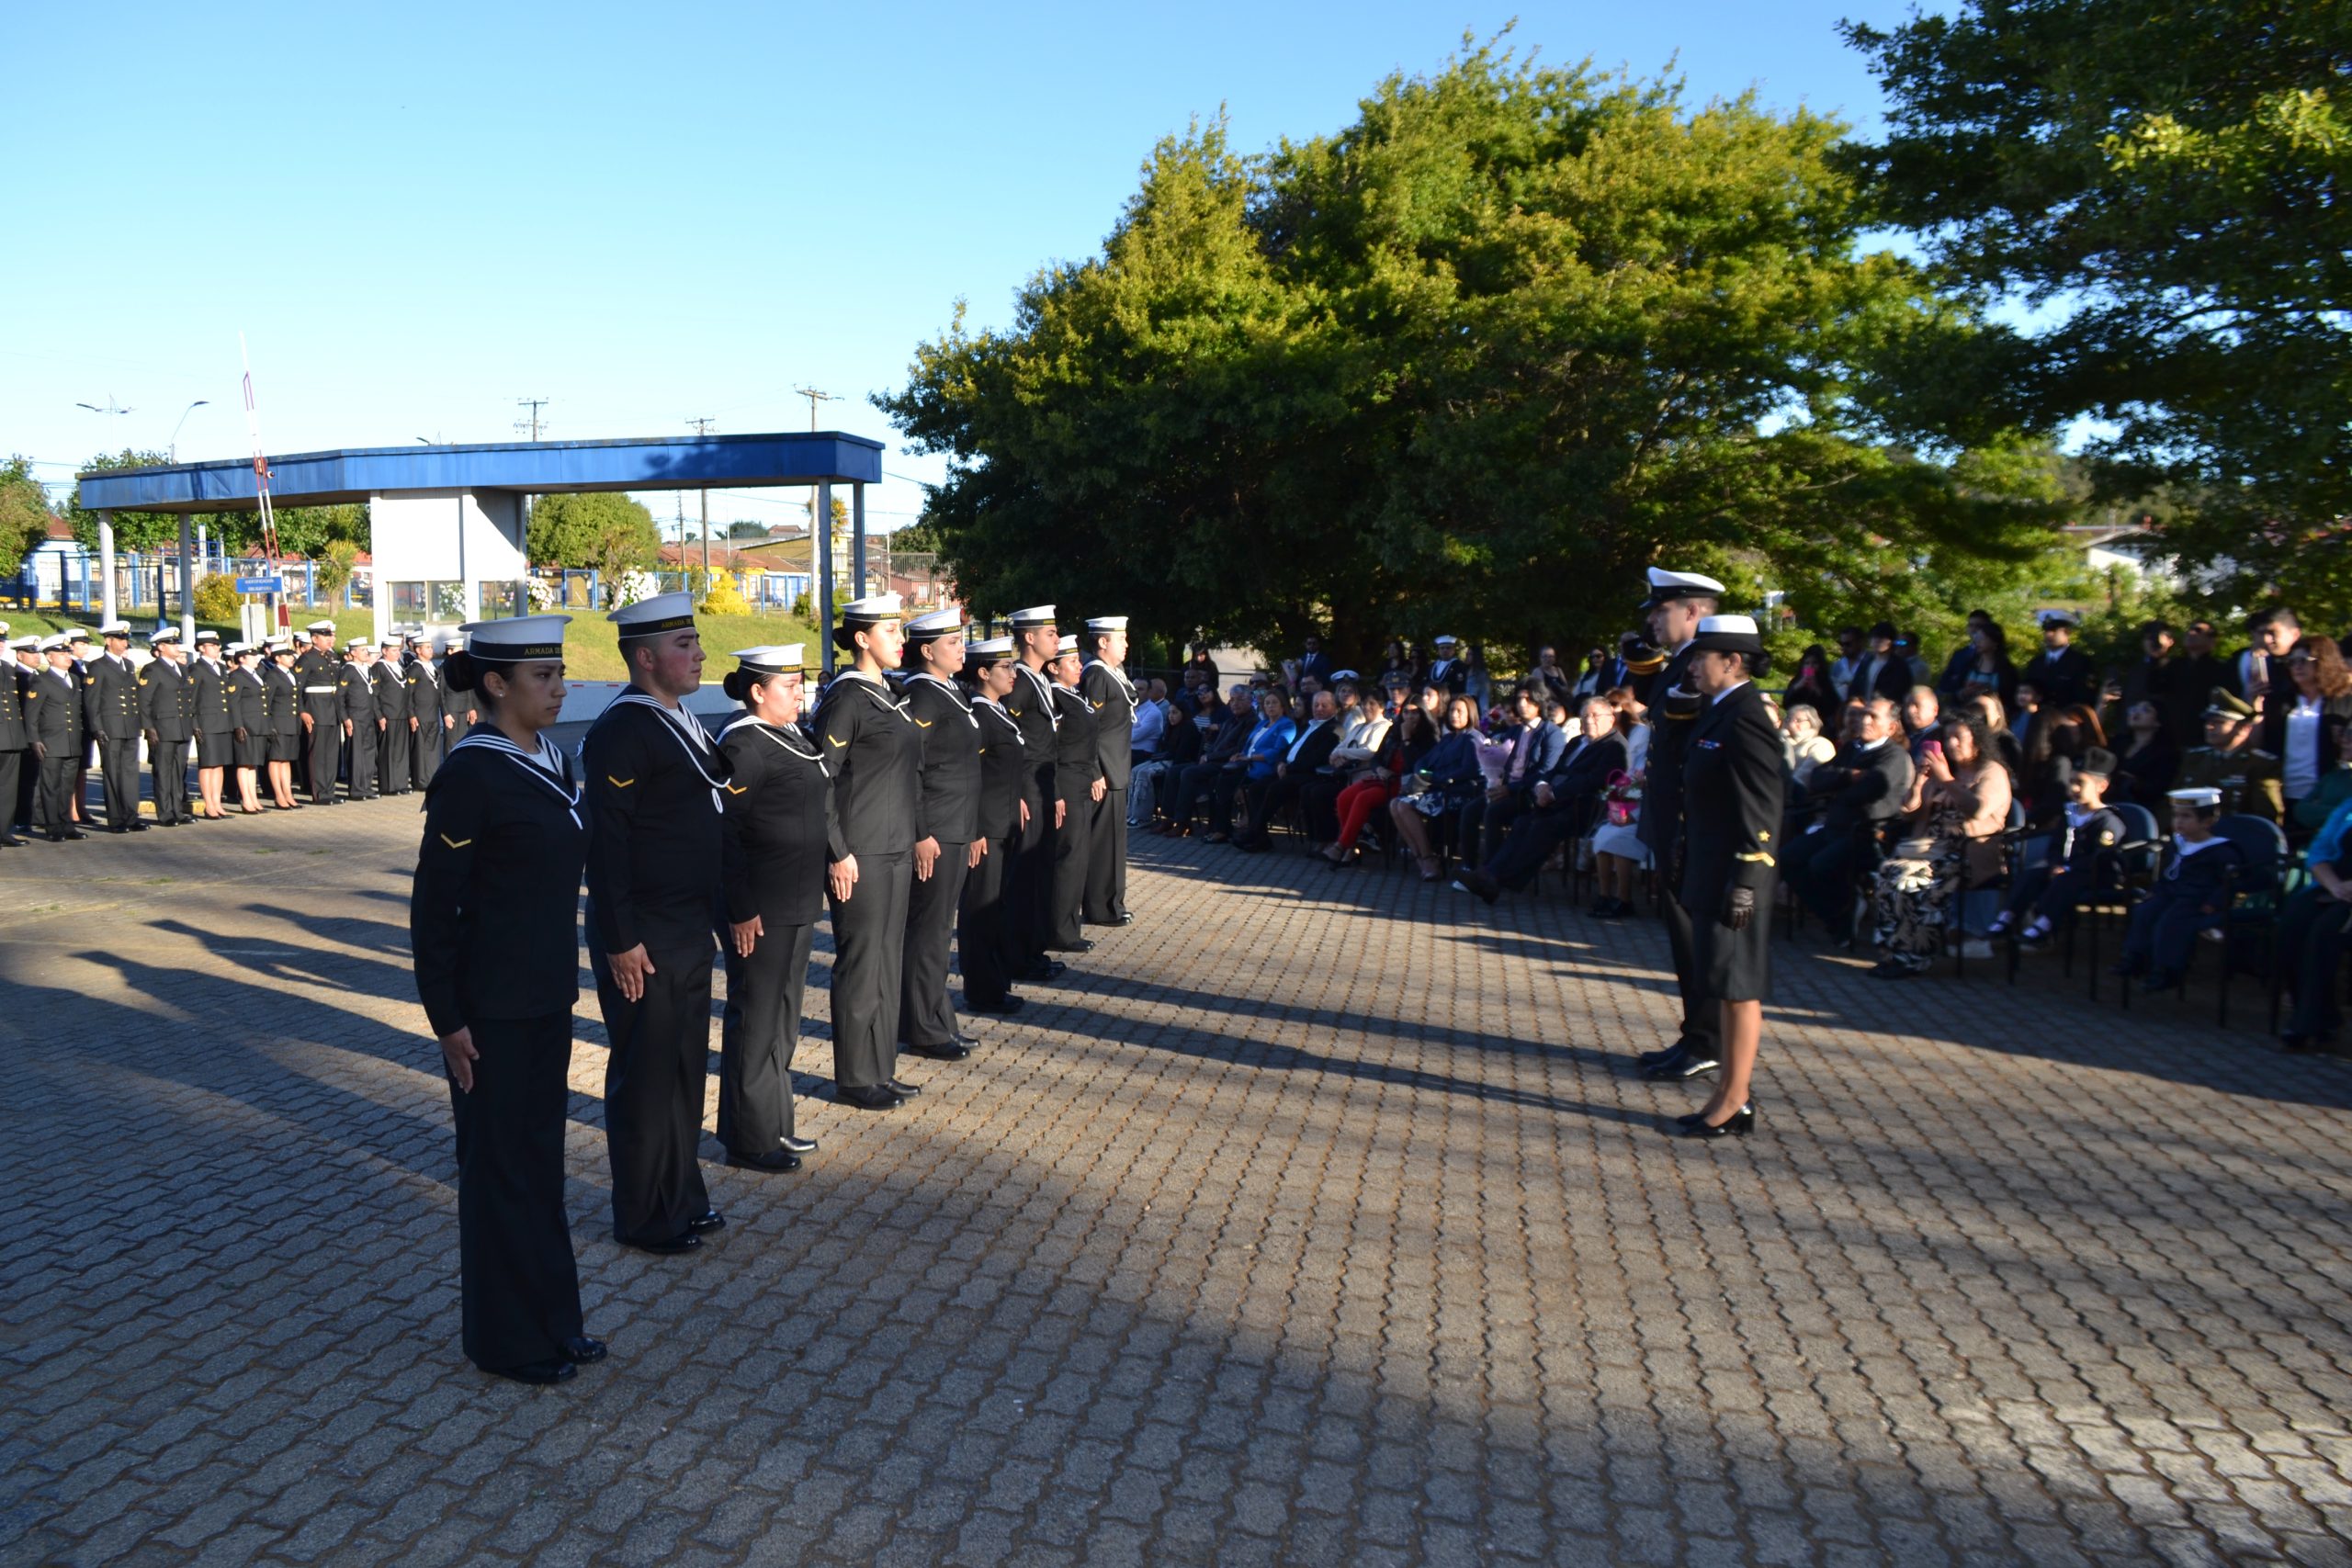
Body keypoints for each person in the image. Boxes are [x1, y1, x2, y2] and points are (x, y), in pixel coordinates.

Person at [409, 612, 604, 1386]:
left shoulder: (553, 758)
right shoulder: (473, 773)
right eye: (542, 677)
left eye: (559, 673)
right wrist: (446, 1018)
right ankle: (505, 1340)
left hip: (545, 995)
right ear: (495, 683)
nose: (559, 688)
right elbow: (434, 907)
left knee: (540, 1164)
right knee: (498, 1172)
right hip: (489, 1008)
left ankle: (555, 1321)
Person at [582, 591, 729, 1252]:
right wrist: (620, 940)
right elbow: (607, 845)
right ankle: (645, 1215)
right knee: (646, 1077)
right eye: (683, 644)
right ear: (644, 657)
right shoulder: (623, 729)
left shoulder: (679, 717)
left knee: (684, 1069)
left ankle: (681, 1196)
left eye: (695, 642)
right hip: (645, 933)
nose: (699, 654)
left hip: (685, 925)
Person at [714, 644, 831, 1172]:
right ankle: (747, 1137)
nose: (800, 693)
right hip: (761, 907)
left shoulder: (790, 735)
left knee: (783, 1018)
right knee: (756, 1018)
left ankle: (775, 1123)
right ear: (758, 692)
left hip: (796, 901)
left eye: (800, 683)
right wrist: (740, 907)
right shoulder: (744, 745)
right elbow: (725, 830)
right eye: (790, 685)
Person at [1672, 615, 1784, 1137]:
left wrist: (1747, 877)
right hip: (1711, 866)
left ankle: (1736, 1099)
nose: (1693, 665)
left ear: (1733, 662)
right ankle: (1725, 1092)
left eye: (1702, 657)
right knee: (1721, 983)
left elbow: (1764, 805)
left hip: (1735, 874)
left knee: (1739, 988)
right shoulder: (1719, 710)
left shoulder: (1746, 716)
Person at [817, 593, 926, 1110]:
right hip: (860, 851)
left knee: (887, 960)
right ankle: (856, 1077)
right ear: (862, 638)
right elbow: (821, 780)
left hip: (895, 846)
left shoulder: (890, 693)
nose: (901, 640)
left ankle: (882, 1068)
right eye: (891, 631)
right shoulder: (846, 699)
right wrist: (837, 852)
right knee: (861, 963)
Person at [1633, 567, 1726, 1082]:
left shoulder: (1702, 668)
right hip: (1671, 817)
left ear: (1691, 611)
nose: (1652, 619)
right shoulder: (1680, 664)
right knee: (1682, 936)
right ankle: (1694, 1035)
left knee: (1696, 938)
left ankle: (1707, 1040)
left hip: (1690, 822)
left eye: (1660, 609)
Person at [1866, 711, 2014, 978]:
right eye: (1948, 737)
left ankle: (1915, 957)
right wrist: (1920, 781)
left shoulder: (1991, 772)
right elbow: (1908, 813)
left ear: (1977, 740)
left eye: (1959, 737)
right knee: (1888, 873)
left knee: (1910, 882)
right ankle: (1893, 953)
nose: (1951, 743)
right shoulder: (1942, 770)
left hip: (1967, 852)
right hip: (1929, 848)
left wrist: (1946, 779)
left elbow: (1978, 810)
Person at [897, 608, 983, 1064]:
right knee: (927, 933)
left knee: (937, 932)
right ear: (927, 651)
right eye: (953, 642)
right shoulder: (922, 696)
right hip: (937, 831)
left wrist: (972, 829)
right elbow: (912, 770)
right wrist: (921, 832)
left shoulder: (949, 691)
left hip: (956, 827)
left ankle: (936, 1018)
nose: (962, 648)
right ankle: (923, 1029)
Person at [1453, 694, 1629, 902]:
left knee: (1542, 827)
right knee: (1522, 822)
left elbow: (1593, 781)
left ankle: (1495, 881)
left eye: (1595, 715)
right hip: (1556, 801)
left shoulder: (1614, 746)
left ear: (1610, 719)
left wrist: (1554, 793)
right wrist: (1542, 786)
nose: (1589, 720)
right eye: (1584, 716)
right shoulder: (1576, 742)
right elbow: (1554, 770)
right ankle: (1490, 876)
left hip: (1585, 807)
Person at [1783, 697, 1915, 941]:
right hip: (1834, 826)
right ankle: (1837, 914)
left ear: (1891, 727)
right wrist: (1849, 776)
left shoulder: (1893, 756)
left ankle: (1846, 910)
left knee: (1820, 865)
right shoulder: (1851, 748)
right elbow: (1817, 778)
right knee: (1787, 858)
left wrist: (1838, 786)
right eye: (1864, 714)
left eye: (1873, 716)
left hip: (1867, 833)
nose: (1865, 720)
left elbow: (1868, 790)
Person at [1988, 747, 2126, 949]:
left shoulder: (2108, 821)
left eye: (2080, 783)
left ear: (2102, 786)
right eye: (2071, 782)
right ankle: (2008, 917)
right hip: (2064, 870)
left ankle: (2044, 924)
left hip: (2095, 874)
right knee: (2031, 876)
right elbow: (2056, 845)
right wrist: (2055, 864)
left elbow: (2101, 856)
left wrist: (2068, 868)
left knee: (2066, 881)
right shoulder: (2070, 814)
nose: (2074, 788)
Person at [959, 635, 1031, 1017]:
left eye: (1014, 665)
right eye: (1006, 667)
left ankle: (996, 984)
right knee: (980, 913)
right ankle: (982, 991)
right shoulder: (979, 713)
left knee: (997, 908)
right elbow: (971, 775)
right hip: (986, 829)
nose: (1013, 673)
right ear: (984, 673)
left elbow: (1001, 768)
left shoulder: (998, 710)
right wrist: (974, 831)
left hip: (1004, 823)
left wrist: (1016, 796)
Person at [2113, 787, 2245, 993]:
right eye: (2176, 816)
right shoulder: (2178, 844)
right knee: (2144, 911)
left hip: (2196, 899)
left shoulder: (2222, 850)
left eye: (2186, 817)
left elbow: (2229, 882)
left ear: (2207, 821)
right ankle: (2135, 958)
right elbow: (2168, 874)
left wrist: (2214, 903)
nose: (2178, 822)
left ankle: (2167, 971)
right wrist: (2156, 890)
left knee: (2171, 922)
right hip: (2172, 893)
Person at [1002, 606, 1063, 983]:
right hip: (1027, 788)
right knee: (1023, 878)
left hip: (1043, 788)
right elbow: (1008, 737)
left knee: (1040, 873)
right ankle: (1019, 955)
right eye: (1050, 633)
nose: (1057, 640)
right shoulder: (1021, 682)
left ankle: (1034, 950)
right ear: (1029, 637)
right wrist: (1017, 791)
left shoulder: (1039, 679)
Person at [2278, 794, 2352, 1053]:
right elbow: (2319, 851)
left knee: (2324, 932)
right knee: (2292, 925)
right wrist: (2334, 885)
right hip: (2335, 887)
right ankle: (2323, 1016)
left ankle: (2306, 1023)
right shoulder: (2348, 805)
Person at [1323, 702, 1433, 865]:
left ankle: (1341, 845)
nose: (1410, 717)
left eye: (1415, 713)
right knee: (1344, 797)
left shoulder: (1428, 737)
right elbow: (1376, 758)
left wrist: (1407, 738)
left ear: (1423, 714)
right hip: (1382, 777)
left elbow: (1414, 765)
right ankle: (1351, 847)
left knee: (1363, 798)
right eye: (1406, 713)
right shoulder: (1394, 731)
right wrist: (1380, 769)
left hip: (1404, 784)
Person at [1044, 635, 1102, 947]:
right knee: (1068, 858)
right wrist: (1056, 792)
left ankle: (1067, 926)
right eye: (1072, 661)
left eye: (1079, 660)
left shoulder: (1073, 695)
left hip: (1080, 781)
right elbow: (1051, 749)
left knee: (1077, 858)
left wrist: (1094, 774)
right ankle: (1060, 932)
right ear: (1054, 668)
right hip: (1066, 782)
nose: (1080, 666)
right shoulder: (1055, 698)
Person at [1080, 615, 1137, 924]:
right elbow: (1088, 729)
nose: (1126, 644)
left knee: (1114, 845)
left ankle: (1113, 902)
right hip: (1104, 773)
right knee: (1102, 847)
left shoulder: (1114, 673)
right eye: (1121, 638)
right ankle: (1100, 907)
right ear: (1103, 642)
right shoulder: (1096, 676)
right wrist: (1094, 772)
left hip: (1116, 770)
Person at [1387, 694, 1482, 880]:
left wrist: (1435, 778)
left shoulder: (1472, 739)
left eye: (1459, 711)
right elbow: (1424, 761)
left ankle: (1428, 858)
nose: (1454, 715)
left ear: (1470, 714)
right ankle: (1421, 858)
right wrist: (1422, 773)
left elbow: (1470, 770)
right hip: (1436, 788)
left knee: (1404, 805)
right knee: (1395, 804)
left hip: (1456, 793)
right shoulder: (1448, 738)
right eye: (1452, 710)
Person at [1238, 688, 1341, 852]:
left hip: (1308, 774)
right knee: (1257, 788)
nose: (1319, 709)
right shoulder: (1308, 725)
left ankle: (1252, 833)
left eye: (1324, 705)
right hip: (1288, 770)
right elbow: (1289, 749)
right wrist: (1281, 763)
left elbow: (1316, 758)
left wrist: (1288, 767)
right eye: (1316, 705)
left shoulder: (1333, 729)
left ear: (1334, 708)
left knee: (1276, 788)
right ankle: (1261, 838)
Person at [2174, 689, 2283, 822]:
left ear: (2243, 729)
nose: (2209, 727)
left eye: (2219, 722)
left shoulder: (2261, 764)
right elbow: (2172, 802)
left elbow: (2265, 818)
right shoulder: (2195, 758)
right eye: (2208, 722)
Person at [2278, 637, 2352, 822]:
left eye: (2304, 660)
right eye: (2291, 661)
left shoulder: (2346, 700)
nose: (2297, 666)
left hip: (2327, 794)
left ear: (2325, 661)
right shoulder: (2281, 700)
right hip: (2283, 791)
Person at [84, 622, 144, 833]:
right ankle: (116, 819)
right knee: (112, 773)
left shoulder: (128, 665)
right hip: (110, 728)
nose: (124, 643)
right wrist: (97, 728)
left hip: (129, 727)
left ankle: (131, 816)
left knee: (130, 774)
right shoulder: (98, 666)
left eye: (125, 639)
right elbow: (92, 700)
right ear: (108, 641)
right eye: (120, 639)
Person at [28, 636, 86, 841]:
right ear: (50, 657)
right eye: (62, 654)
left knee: (67, 787)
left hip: (72, 742)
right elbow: (32, 714)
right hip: (51, 742)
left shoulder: (75, 679)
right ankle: (53, 826)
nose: (67, 657)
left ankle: (67, 824)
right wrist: (34, 740)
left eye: (68, 653)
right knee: (50, 786)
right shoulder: (41, 681)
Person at [136, 628, 193, 829]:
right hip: (163, 728)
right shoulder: (152, 670)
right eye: (172, 644)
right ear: (161, 647)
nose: (177, 647)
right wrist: (148, 727)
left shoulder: (182, 669)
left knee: (178, 771)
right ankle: (165, 813)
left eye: (177, 643)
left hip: (182, 726)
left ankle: (177, 810)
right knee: (163, 771)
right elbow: (144, 701)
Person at [294, 619, 343, 805]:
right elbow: (296, 689)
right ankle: (320, 793)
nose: (330, 639)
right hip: (316, 711)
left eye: (330, 636)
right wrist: (302, 711)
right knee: (318, 754)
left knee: (331, 754)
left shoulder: (330, 656)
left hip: (332, 711)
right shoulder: (307, 659)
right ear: (314, 639)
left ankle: (329, 790)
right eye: (325, 636)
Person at [190, 629, 234, 819]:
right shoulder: (196, 669)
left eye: (218, 645)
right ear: (201, 648)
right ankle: (208, 805)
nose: (217, 648)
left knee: (219, 765)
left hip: (222, 722)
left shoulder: (221, 668)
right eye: (212, 645)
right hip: (206, 723)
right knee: (208, 764)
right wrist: (195, 724)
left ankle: (217, 803)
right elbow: (191, 699)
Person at [2110, 699, 2180, 812]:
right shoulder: (2118, 742)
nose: (2136, 713)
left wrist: (2135, 783)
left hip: (2139, 808)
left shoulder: (2165, 752)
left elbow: (2158, 788)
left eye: (2145, 710)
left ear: (2158, 722)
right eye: (2134, 709)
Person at [259, 637, 304, 809]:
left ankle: (288, 794)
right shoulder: (272, 676)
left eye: (291, 655)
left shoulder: (291, 674)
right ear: (277, 658)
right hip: (278, 724)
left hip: (291, 724)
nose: (291, 658)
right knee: (276, 760)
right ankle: (278, 796)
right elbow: (266, 703)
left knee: (286, 760)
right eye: (287, 655)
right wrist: (269, 725)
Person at [226, 642, 269, 815]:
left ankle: (253, 799)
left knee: (252, 764)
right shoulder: (237, 676)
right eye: (252, 656)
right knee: (244, 764)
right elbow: (233, 703)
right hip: (246, 726)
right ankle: (246, 800)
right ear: (242, 659)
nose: (256, 659)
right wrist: (238, 725)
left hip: (257, 725)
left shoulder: (255, 674)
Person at [408, 633, 452, 789]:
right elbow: (408, 694)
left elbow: (439, 693)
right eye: (427, 647)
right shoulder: (415, 668)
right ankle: (420, 781)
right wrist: (411, 714)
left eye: (431, 647)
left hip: (432, 714)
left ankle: (432, 777)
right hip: (420, 715)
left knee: (432, 749)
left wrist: (445, 713)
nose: (431, 650)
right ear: (418, 650)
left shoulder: (432, 667)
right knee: (420, 750)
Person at [339, 637, 380, 802]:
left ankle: (366, 786)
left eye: (366, 650)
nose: (366, 653)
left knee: (369, 752)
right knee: (356, 754)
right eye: (363, 650)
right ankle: (356, 789)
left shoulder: (367, 669)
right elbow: (340, 696)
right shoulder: (348, 670)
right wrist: (345, 718)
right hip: (355, 717)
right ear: (353, 653)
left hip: (368, 717)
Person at [372, 633, 412, 796]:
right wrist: (379, 715)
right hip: (387, 715)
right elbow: (374, 694)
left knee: (400, 751)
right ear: (384, 651)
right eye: (394, 650)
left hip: (401, 714)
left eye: (398, 650)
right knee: (388, 751)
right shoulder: (379, 667)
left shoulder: (398, 666)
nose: (397, 653)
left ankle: (401, 783)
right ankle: (388, 786)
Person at [2030, 610, 2096, 708]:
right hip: (2040, 715)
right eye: (2046, 631)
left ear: (2067, 632)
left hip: (2068, 714)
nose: (2049, 635)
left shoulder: (2080, 662)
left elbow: (2085, 697)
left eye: (2054, 630)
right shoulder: (2036, 663)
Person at [1845, 623, 1912, 705]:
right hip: (1862, 708)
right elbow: (1855, 687)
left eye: (1882, 638)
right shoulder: (1866, 662)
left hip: (1886, 709)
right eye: (1874, 637)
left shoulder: (1899, 666)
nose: (1877, 641)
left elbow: (1898, 692)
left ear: (1891, 641)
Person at [1781, 704, 1837, 788]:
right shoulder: (1781, 740)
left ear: (1812, 722)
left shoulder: (1821, 744)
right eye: (1788, 719)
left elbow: (1805, 775)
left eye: (1799, 720)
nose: (1791, 724)